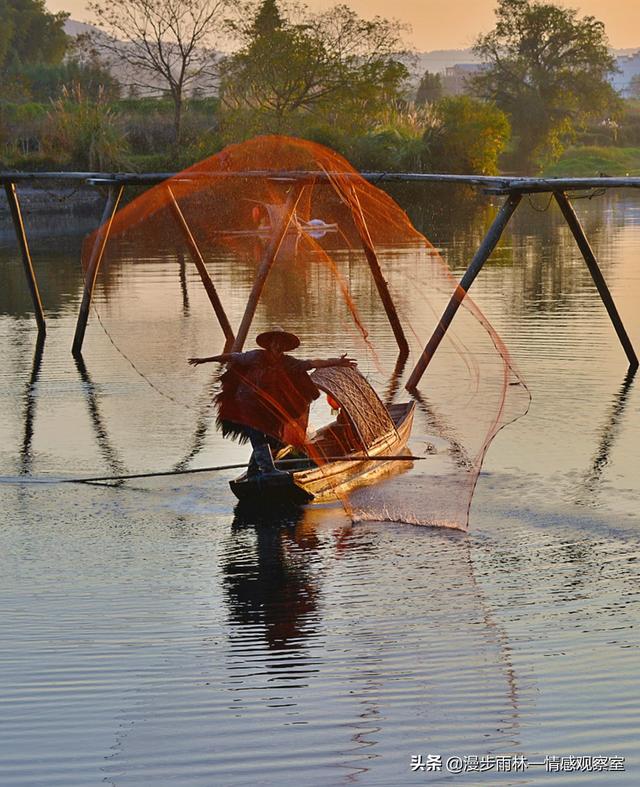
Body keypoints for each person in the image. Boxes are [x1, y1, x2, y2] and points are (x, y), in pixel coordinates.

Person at [189, 328, 356, 478]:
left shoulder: (288, 362)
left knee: (273, 438)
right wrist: (205, 360)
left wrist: (336, 361)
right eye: (275, 343)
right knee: (256, 434)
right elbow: (231, 357)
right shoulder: (255, 356)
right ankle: (268, 470)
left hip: (266, 407)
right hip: (247, 402)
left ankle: (255, 470)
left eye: (281, 344)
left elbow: (311, 363)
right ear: (269, 344)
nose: (278, 346)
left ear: (284, 347)